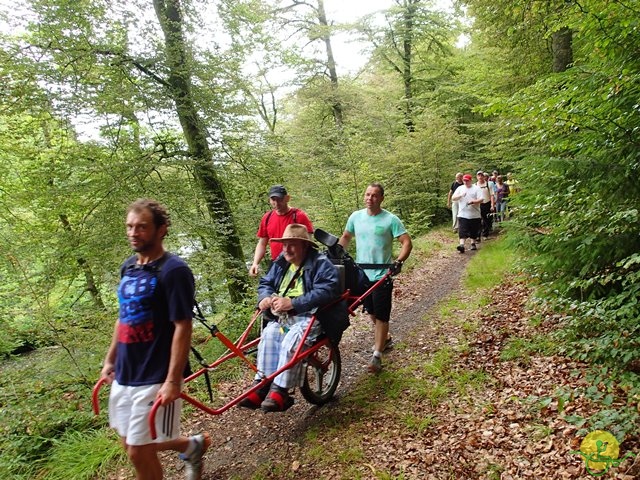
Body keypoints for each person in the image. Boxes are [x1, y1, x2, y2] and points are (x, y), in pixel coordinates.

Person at [100, 199, 210, 480]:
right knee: (130, 443)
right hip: (126, 371)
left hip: (155, 373)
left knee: (138, 451)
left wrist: (173, 380)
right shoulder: (129, 267)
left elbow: (183, 326)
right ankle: (191, 446)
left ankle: (191, 446)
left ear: (161, 229)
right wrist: (110, 359)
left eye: (142, 227)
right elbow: (123, 317)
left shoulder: (174, 271)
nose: (133, 233)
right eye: (130, 227)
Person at [239, 224, 342, 412]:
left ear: (305, 246)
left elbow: (329, 289)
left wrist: (294, 303)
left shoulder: (320, 263)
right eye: (284, 244)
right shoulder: (282, 261)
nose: (286, 249)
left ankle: (281, 391)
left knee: (292, 341)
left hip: (313, 315)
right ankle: (264, 385)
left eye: (292, 244)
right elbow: (265, 283)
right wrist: (265, 298)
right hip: (283, 317)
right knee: (268, 336)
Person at [338, 183, 413, 374]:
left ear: (381, 199)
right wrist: (337, 253)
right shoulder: (356, 217)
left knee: (381, 314)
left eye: (374, 196)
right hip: (361, 274)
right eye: (367, 195)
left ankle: (377, 355)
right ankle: (385, 339)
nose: (370, 198)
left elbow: (406, 242)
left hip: (383, 273)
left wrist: (398, 261)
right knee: (370, 311)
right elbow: (346, 236)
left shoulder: (390, 219)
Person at [249, 185, 314, 277]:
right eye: (273, 200)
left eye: (279, 199)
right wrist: (255, 263)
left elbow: (308, 243)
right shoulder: (267, 218)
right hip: (276, 264)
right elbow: (262, 243)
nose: (276, 203)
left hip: (296, 263)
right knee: (270, 288)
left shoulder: (299, 216)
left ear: (287, 198)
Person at [451, 174, 483, 253]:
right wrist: (460, 195)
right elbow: (453, 198)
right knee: (462, 230)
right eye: (464, 180)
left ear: (471, 180)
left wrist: (473, 201)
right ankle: (461, 245)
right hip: (462, 214)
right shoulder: (460, 188)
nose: (465, 182)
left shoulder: (476, 188)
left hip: (474, 214)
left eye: (467, 181)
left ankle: (473, 243)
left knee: (474, 230)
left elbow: (481, 199)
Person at [476, 170, 495, 240]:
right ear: (477, 177)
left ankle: (485, 234)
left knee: (486, 220)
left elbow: (492, 195)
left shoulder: (488, 184)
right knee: (478, 220)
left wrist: (492, 205)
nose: (480, 177)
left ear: (484, 177)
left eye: (481, 175)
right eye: (479, 175)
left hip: (487, 203)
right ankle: (478, 235)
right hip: (478, 204)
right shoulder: (475, 185)